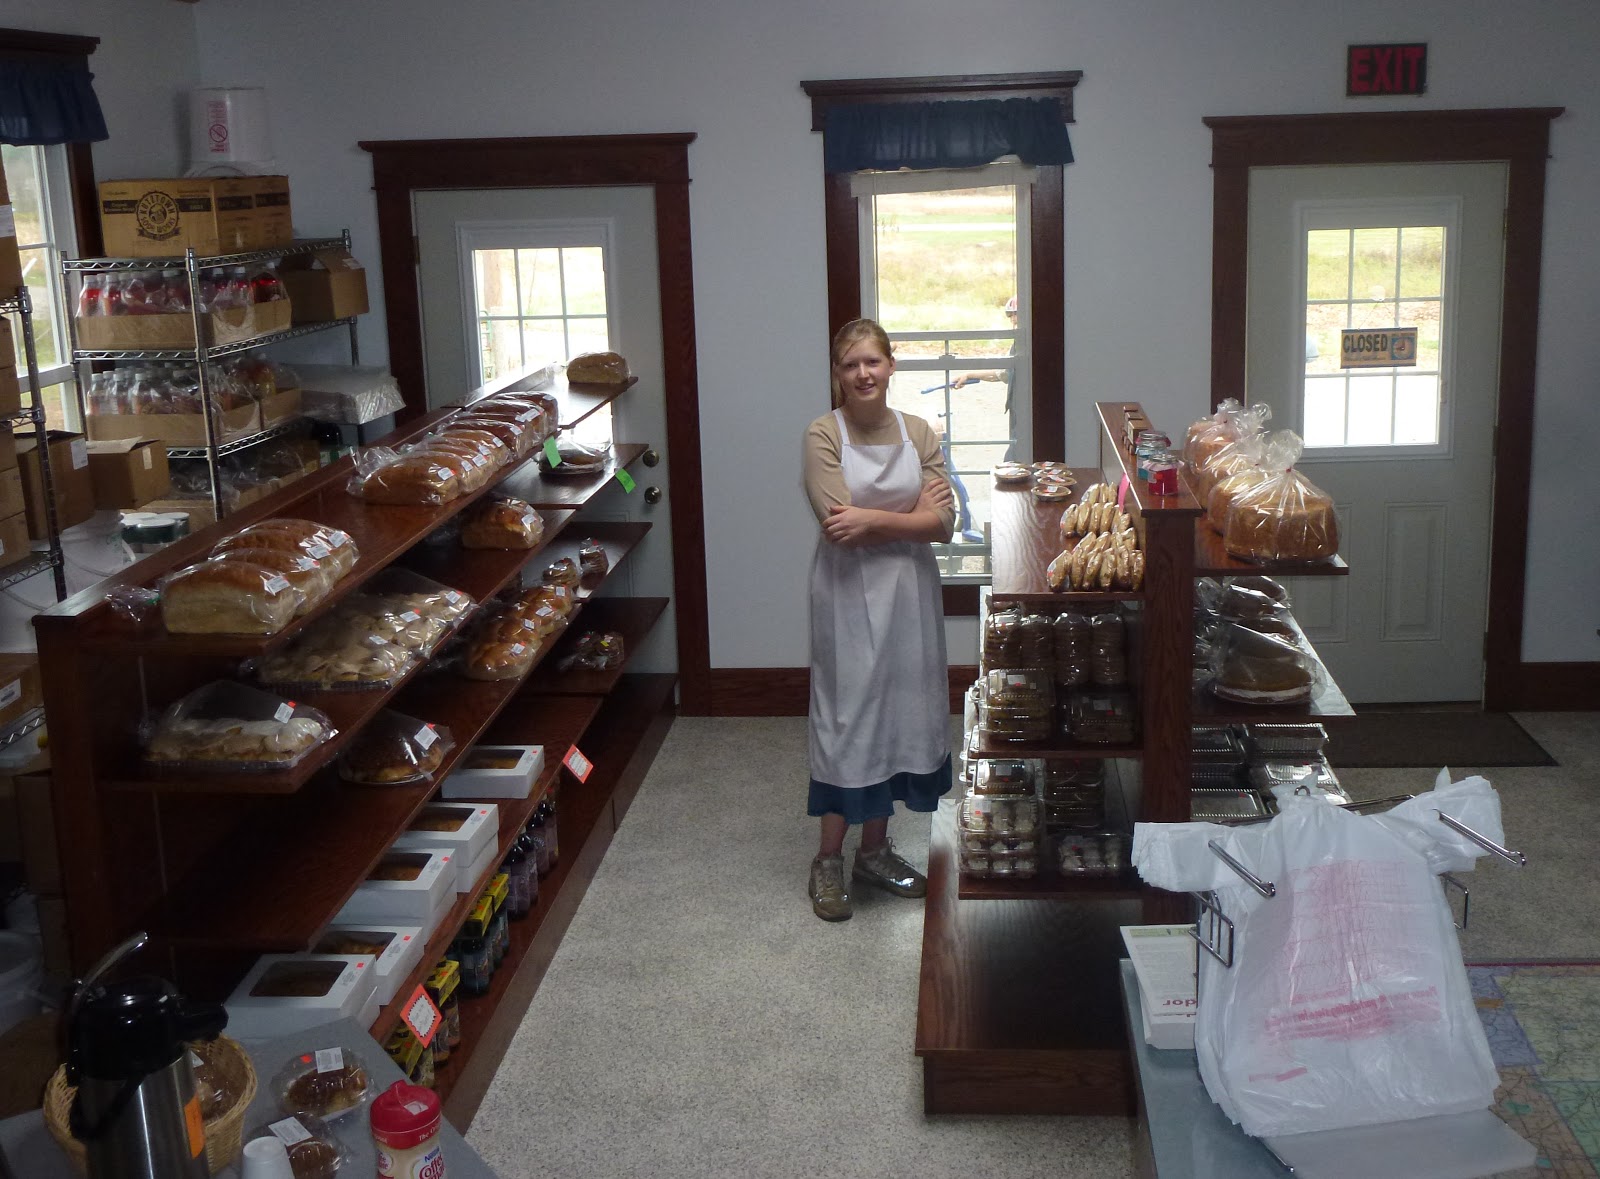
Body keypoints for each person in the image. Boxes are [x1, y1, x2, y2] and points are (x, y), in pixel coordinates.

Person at [801, 318, 957, 922]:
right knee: (848, 717)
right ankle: (828, 859)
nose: (862, 374)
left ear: (891, 366)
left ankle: (875, 851)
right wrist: (908, 514)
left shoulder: (919, 431)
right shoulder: (823, 434)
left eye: (872, 361)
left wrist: (875, 520)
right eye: (849, 365)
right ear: (838, 375)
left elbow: (944, 525)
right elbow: (839, 524)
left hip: (909, 593)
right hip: (845, 594)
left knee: (896, 710)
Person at [951, 295, 1018, 412]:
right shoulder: (1019, 343)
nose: (1012, 319)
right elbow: (1003, 373)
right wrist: (969, 375)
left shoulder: (1025, 342)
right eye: (1010, 315)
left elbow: (1003, 373)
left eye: (1015, 313)